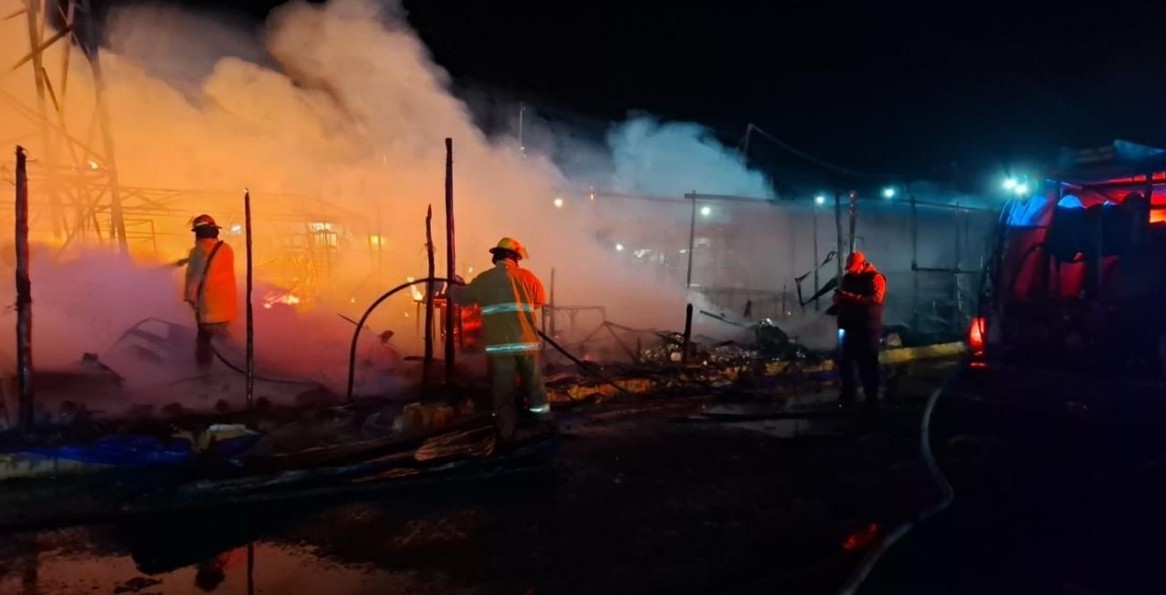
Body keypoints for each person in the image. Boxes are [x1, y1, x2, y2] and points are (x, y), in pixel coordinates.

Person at [452, 237, 551, 442]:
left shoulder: (484, 279)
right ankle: (542, 424)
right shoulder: (529, 277)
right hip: (527, 344)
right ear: (516, 258)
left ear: (496, 257)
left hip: (500, 347)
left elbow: (463, 299)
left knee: (503, 390)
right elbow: (540, 300)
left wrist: (453, 289)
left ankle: (506, 432)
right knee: (534, 385)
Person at [832, 251, 886, 407]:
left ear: (863, 265)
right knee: (845, 362)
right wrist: (838, 299)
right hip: (848, 327)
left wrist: (849, 297)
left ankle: (871, 398)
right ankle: (848, 394)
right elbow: (841, 299)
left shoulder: (876, 278)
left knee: (868, 363)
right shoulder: (848, 278)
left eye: (854, 268)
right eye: (850, 268)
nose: (852, 271)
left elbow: (877, 299)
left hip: (868, 329)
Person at [183, 214, 237, 368]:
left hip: (208, 307)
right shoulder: (226, 249)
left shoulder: (198, 252)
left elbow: (196, 278)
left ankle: (204, 374)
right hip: (227, 306)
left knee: (204, 344)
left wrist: (191, 299)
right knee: (223, 338)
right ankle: (238, 364)